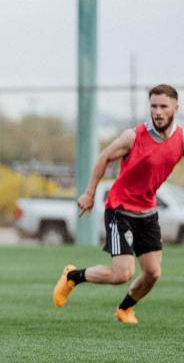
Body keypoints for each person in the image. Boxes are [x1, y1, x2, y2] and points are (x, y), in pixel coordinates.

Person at [53, 84, 181, 324]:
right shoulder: (134, 136)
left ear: (176, 108)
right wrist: (90, 193)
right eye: (153, 106)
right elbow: (104, 157)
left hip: (148, 212)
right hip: (120, 210)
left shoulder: (181, 139)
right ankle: (73, 276)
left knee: (153, 273)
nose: (158, 112)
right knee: (123, 273)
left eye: (163, 106)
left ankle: (124, 309)